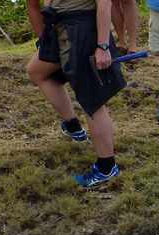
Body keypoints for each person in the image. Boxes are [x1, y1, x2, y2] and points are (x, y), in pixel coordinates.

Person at [27, 0, 126, 187]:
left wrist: (103, 46)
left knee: (92, 100)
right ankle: (73, 127)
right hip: (60, 27)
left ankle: (106, 166)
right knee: (37, 71)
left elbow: (104, 4)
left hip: (83, 30)